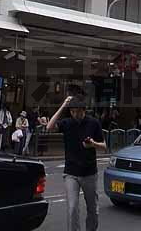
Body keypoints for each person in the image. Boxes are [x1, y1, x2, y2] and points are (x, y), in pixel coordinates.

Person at [48, 96, 106, 231]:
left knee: (92, 208)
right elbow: (49, 126)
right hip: (71, 173)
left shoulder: (93, 123)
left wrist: (93, 144)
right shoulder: (67, 123)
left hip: (89, 172)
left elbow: (104, 147)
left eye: (78, 111)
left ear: (84, 110)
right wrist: (63, 105)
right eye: (72, 111)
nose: (75, 114)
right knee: (72, 207)